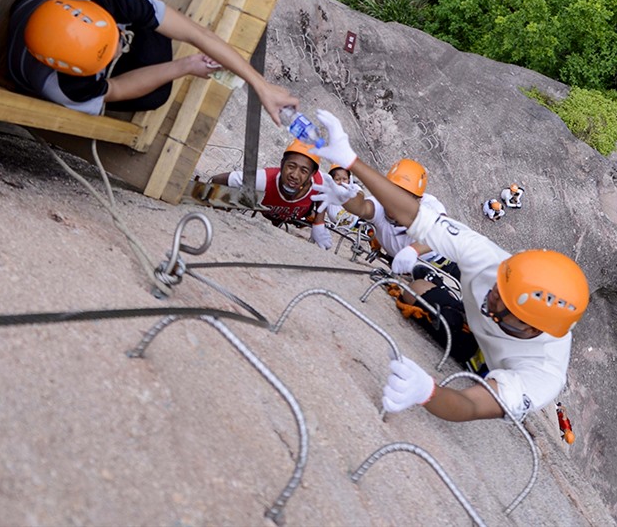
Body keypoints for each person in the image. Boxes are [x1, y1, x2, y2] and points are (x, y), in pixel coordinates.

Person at [308, 110, 588, 424]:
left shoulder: (544, 372)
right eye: (498, 286)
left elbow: (470, 405)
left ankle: (471, 350)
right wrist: (350, 161)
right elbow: (413, 215)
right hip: (471, 322)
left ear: (530, 328)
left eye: (501, 299)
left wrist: (427, 392)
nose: (492, 293)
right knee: (415, 290)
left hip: (489, 366)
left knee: (463, 344)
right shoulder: (490, 259)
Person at [6, 0, 297, 120]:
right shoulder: (68, 89)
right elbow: (118, 89)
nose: (122, 44)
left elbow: (197, 35)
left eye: (115, 38)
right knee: (155, 96)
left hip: (56, 1)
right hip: (31, 61)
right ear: (90, 70)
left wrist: (261, 85)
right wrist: (184, 66)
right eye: (114, 51)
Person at [316, 159, 482, 368]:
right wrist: (346, 198)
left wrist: (413, 250)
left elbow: (439, 232)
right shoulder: (378, 204)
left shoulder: (430, 206)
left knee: (479, 300)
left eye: (404, 198)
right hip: (413, 267)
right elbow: (362, 207)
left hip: (447, 262)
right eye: (392, 194)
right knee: (441, 309)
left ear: (418, 200)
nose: (394, 205)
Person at [205, 141, 334, 249]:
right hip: (269, 210)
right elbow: (218, 179)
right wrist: (222, 206)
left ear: (312, 174)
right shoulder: (263, 179)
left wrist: (319, 223)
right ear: (282, 164)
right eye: (291, 166)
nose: (294, 175)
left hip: (300, 215)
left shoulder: (321, 182)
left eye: (303, 171)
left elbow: (326, 192)